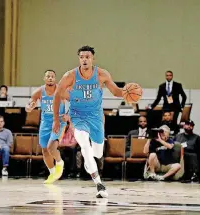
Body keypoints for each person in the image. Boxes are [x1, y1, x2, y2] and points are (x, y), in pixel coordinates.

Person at [52, 45, 131, 198]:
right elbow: (57, 95)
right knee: (84, 144)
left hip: (95, 117)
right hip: (78, 116)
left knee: (97, 152)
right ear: (79, 59)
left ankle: (89, 157)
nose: (84, 59)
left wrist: (127, 93)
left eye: (87, 57)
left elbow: (115, 91)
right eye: (82, 57)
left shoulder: (102, 74)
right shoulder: (70, 76)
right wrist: (56, 119)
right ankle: (99, 184)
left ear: (93, 58)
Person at [26, 70, 68, 184]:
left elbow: (74, 102)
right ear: (44, 78)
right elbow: (30, 103)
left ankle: (59, 162)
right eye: (48, 76)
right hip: (45, 122)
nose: (50, 78)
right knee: (44, 149)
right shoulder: (39, 91)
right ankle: (52, 173)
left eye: (52, 76)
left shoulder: (61, 90)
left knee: (51, 147)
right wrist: (29, 107)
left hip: (58, 121)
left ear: (55, 79)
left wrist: (68, 114)